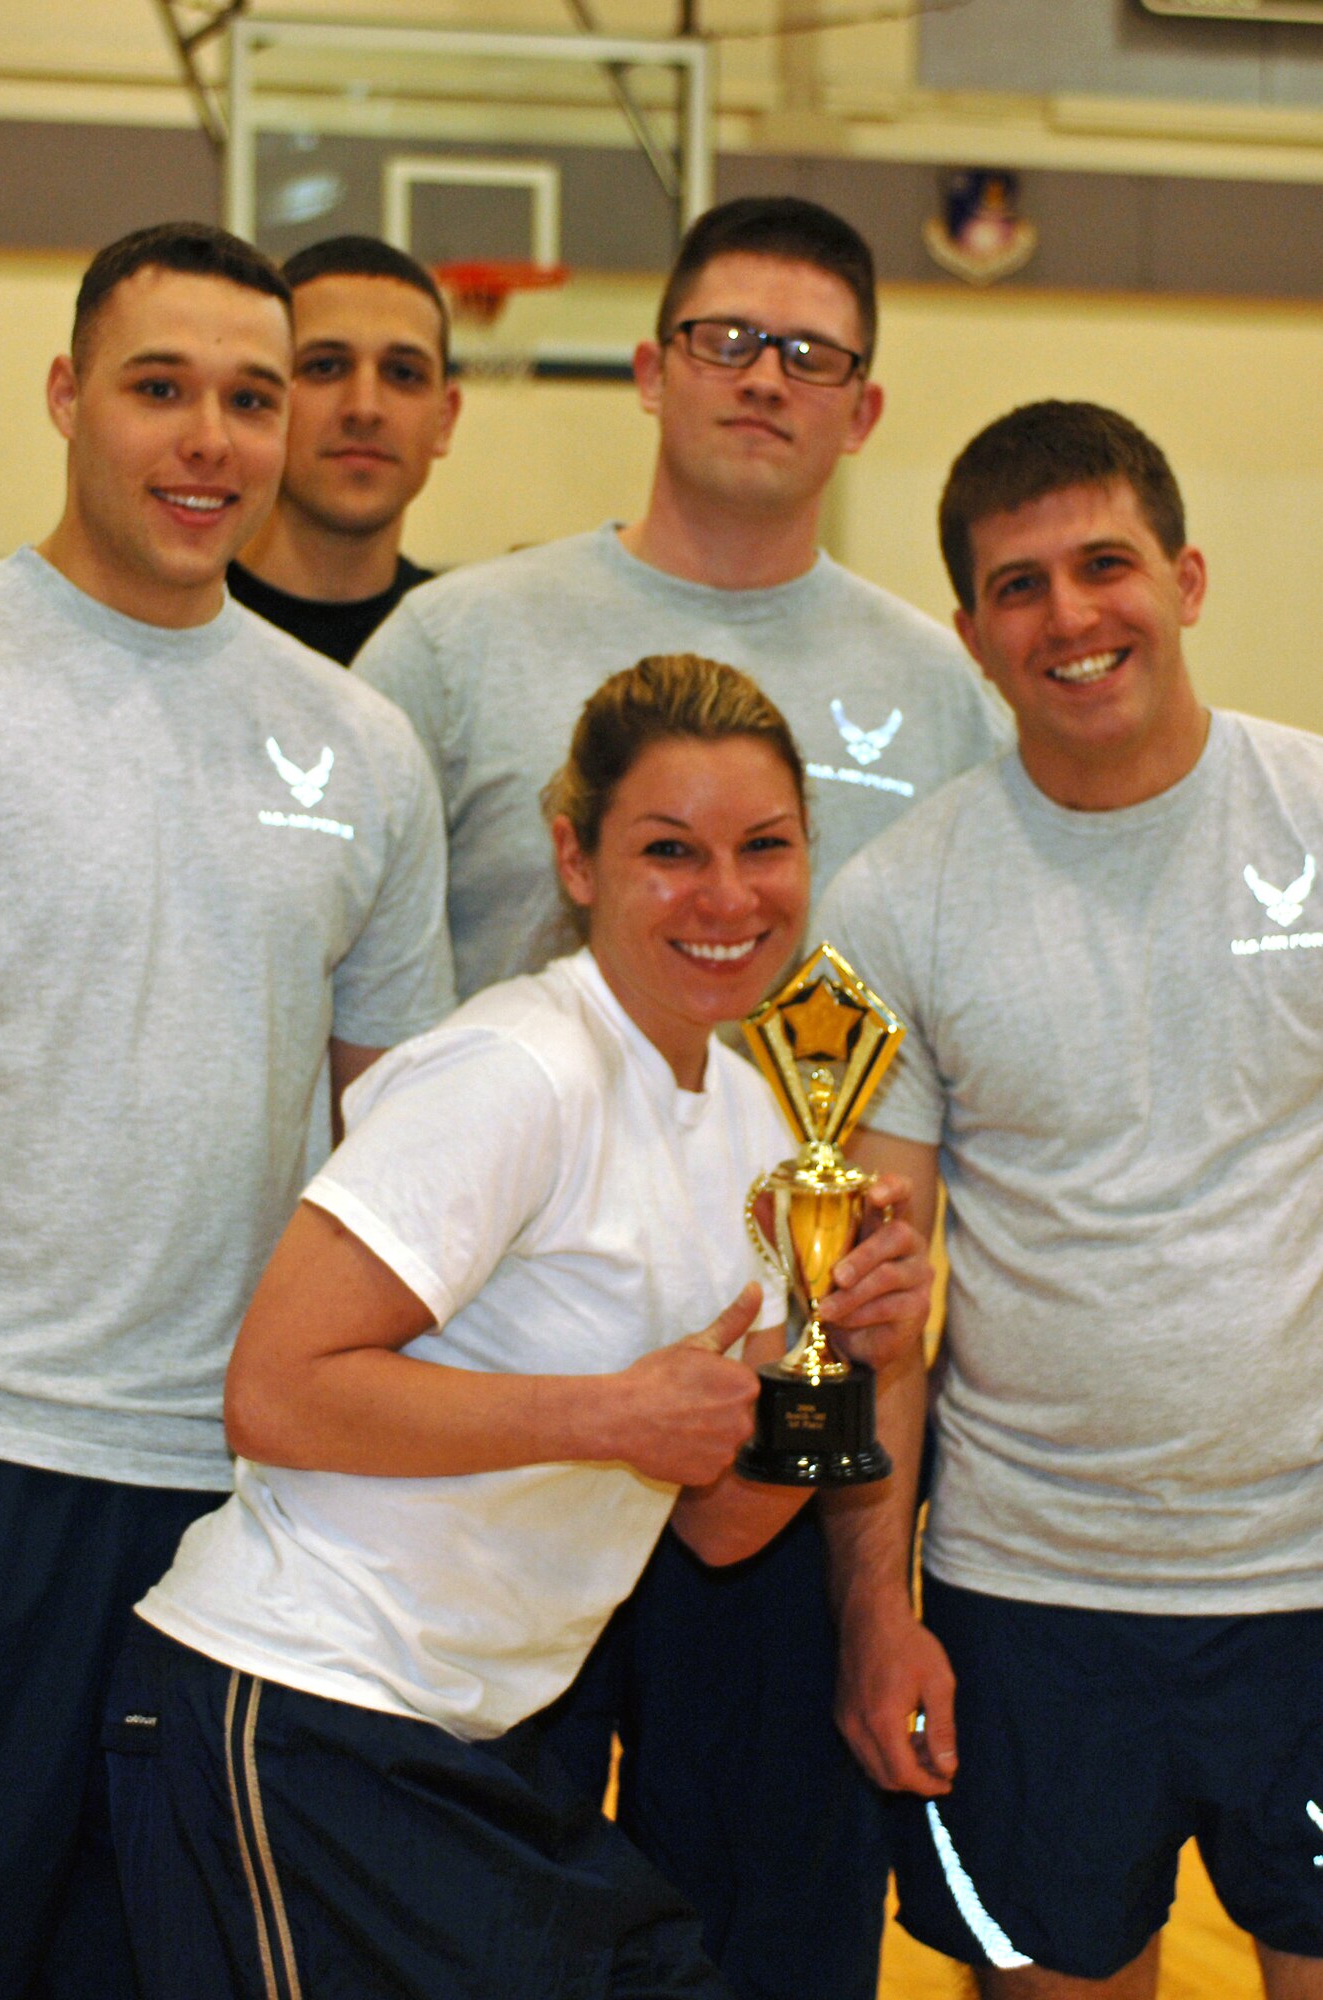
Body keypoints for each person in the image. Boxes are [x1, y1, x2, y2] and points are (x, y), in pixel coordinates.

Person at [355, 192, 1008, 2000]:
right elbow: (361, 1033)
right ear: (647, 368)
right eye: (725, 338)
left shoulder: (941, 694)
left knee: (770, 1937)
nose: (762, 378)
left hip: (776, 1410)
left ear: (861, 411)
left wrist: (878, 1563)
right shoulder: (453, 648)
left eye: (810, 354)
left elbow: (940, 1077)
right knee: (472, 1927)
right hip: (507, 1412)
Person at [104, 652, 935, 2000]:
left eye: (764, 848)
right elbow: (274, 1391)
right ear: (576, 857)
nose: (727, 896)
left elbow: (720, 1523)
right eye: (670, 851)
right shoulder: (514, 1069)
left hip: (477, 1745)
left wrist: (839, 1362)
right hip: (301, 1717)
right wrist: (608, 1413)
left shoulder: (748, 1117)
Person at [0, 221, 453, 2000]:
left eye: (248, 397)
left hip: (245, 1499)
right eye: (159, 389)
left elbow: (407, 1151)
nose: (209, 439)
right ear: (66, 397)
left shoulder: (358, 746)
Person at [818, 401, 1323, 2000]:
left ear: (1183, 576)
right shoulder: (889, 901)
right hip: (1026, 1600)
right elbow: (858, 1304)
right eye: (1017, 585)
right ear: (970, 634)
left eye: (1103, 563)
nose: (1070, 616)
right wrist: (869, 1613)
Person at [227, 235, 459, 663]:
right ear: (261, 400)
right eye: (325, 366)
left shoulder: (463, 641)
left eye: (403, 373)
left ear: (445, 419)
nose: (365, 409)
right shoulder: (178, 619)